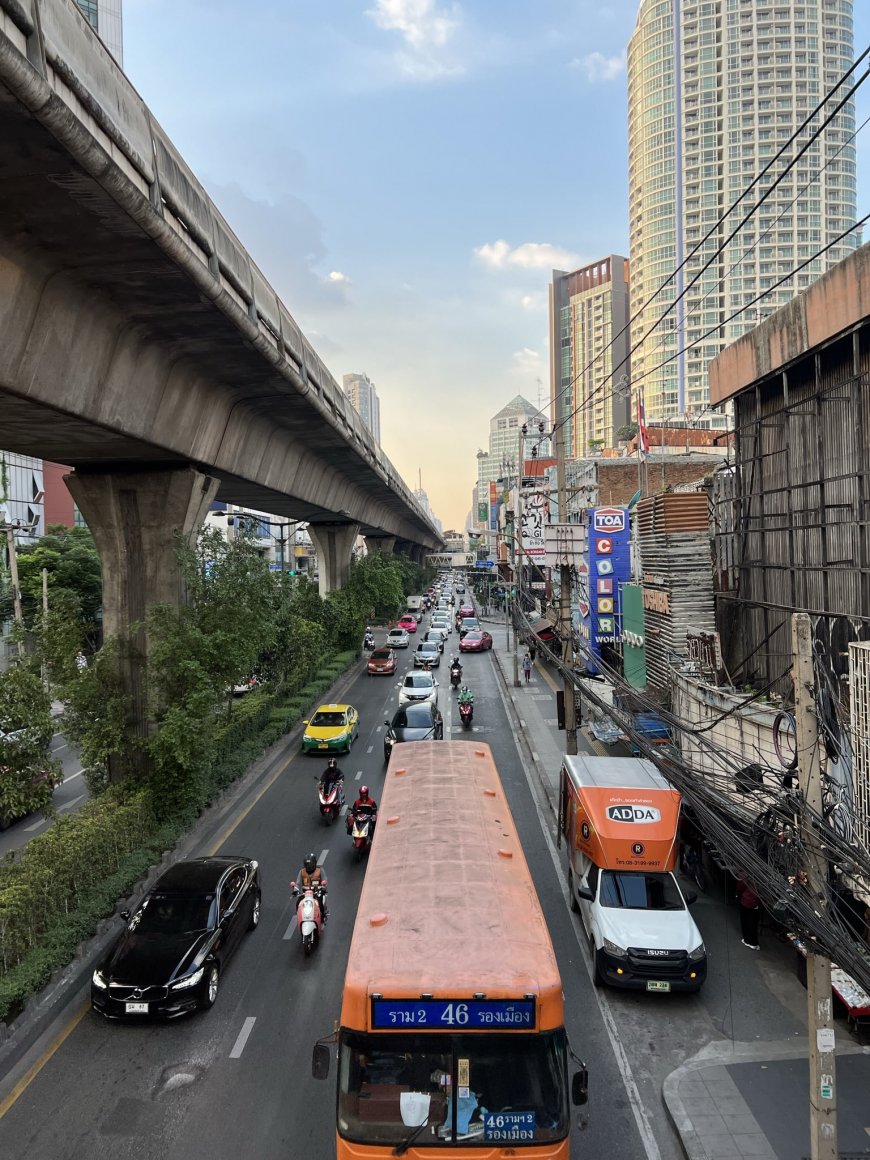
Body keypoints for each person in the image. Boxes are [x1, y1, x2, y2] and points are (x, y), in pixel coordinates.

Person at [297, 852, 328, 921]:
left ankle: (322, 917)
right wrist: (295, 890)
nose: (308, 866)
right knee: (298, 903)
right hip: (305, 894)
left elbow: (325, 879)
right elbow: (298, 883)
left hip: (317, 892)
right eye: (307, 865)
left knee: (320, 903)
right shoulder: (301, 872)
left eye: (310, 865)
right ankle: (299, 917)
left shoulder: (320, 870)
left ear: (314, 863)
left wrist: (323, 888)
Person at [736, 876, 761, 949]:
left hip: (746, 901)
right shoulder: (761, 878)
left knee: (745, 921)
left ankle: (747, 940)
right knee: (753, 923)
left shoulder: (745, 875)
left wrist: (737, 895)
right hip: (755, 903)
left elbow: (740, 887)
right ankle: (754, 943)